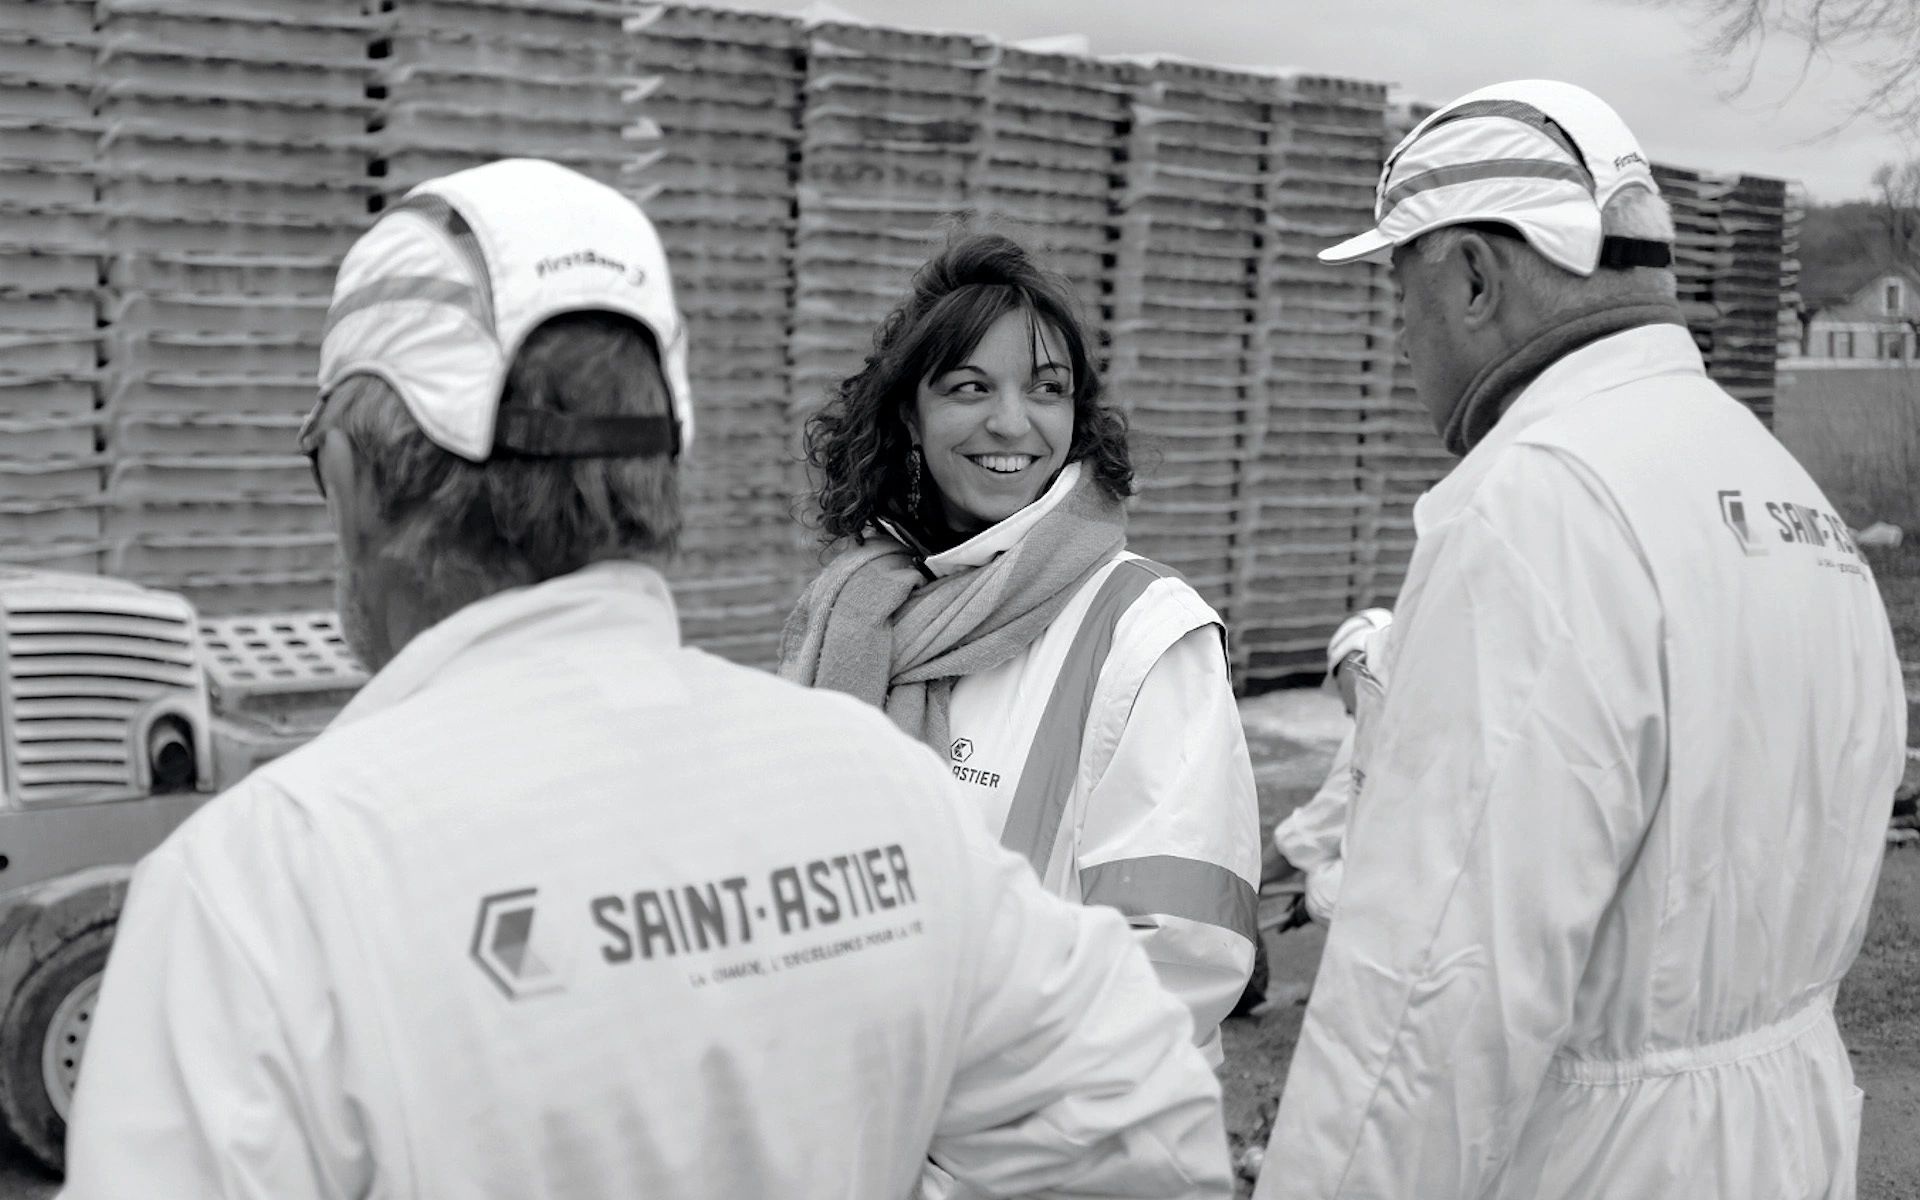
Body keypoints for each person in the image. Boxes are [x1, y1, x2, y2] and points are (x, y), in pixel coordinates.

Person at [59, 160, 1234, 1199]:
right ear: (661, 463)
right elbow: (1149, 1130)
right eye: (967, 387)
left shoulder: (268, 887)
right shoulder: (880, 784)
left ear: (362, 475)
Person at [1256, 81, 1907, 1200]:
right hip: (1786, 1144)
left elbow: (1430, 1000)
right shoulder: (1776, 488)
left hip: (1600, 1164)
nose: (1402, 336)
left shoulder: (1535, 509)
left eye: (1401, 292)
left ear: (1472, 276)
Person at [780, 233, 1262, 1066]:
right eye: (970, 387)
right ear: (910, 416)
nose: (1012, 422)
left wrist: (950, 1109)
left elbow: (1180, 961)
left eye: (1047, 388)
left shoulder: (1144, 630)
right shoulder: (860, 610)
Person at [1263, 608, 1392, 930]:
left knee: (1325, 891)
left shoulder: (1374, 725)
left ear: (1348, 667)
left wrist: (1251, 881)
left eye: (1341, 695)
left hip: (1408, 904)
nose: (1347, 711)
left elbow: (1318, 829)